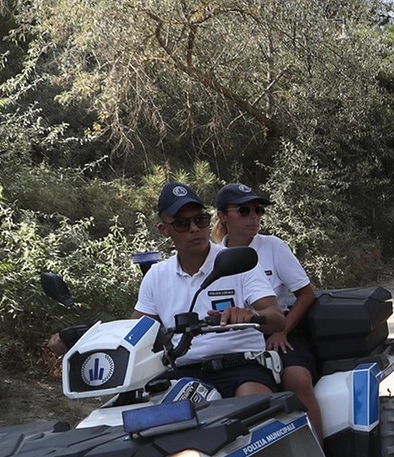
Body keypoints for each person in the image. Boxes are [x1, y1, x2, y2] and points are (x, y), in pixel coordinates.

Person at [133, 181, 284, 397]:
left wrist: (252, 315)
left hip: (242, 367)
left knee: (252, 409)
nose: (194, 228)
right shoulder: (156, 276)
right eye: (182, 224)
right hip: (183, 373)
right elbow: (135, 333)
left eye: (200, 220)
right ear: (164, 230)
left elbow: (277, 319)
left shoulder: (239, 262)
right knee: (147, 417)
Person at [212, 182, 327, 435]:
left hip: (278, 330)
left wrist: (282, 332)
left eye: (258, 210)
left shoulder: (273, 247)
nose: (254, 217)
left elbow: (306, 294)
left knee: (296, 379)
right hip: (235, 337)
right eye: (244, 210)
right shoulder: (212, 257)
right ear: (222, 216)